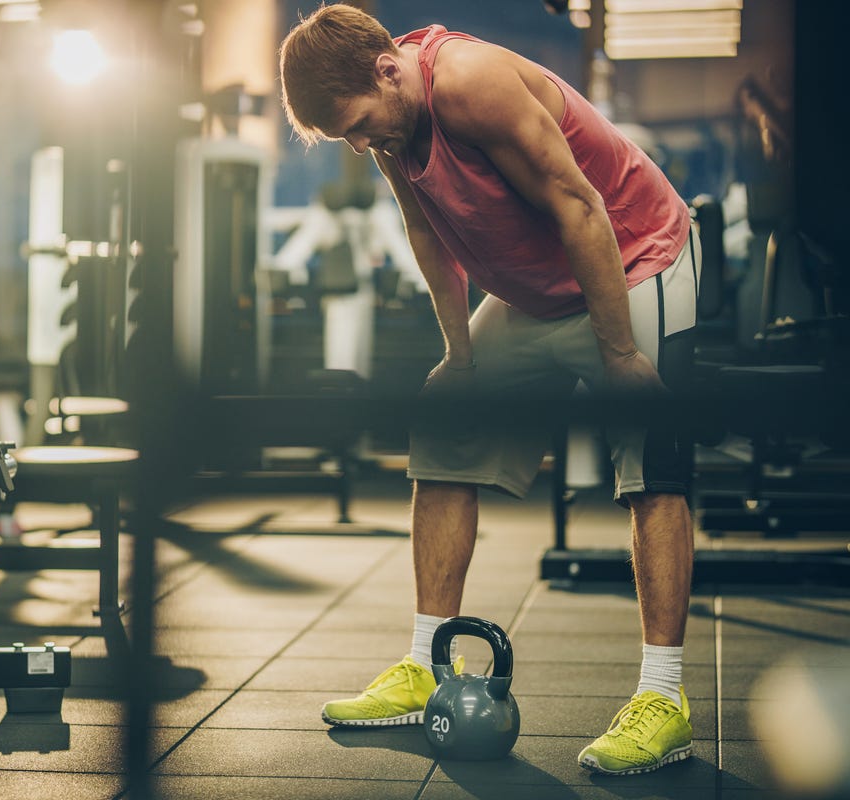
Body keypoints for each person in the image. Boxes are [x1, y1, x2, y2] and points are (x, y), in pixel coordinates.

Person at [279, 4, 699, 776]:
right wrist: (459, 355)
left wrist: (618, 352)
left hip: (634, 256)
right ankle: (423, 663)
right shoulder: (385, 128)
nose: (363, 143)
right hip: (537, 288)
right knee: (445, 425)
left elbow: (579, 205)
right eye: (347, 136)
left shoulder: (468, 83)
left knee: (651, 461)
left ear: (387, 69)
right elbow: (426, 231)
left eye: (361, 124)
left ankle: (663, 698)